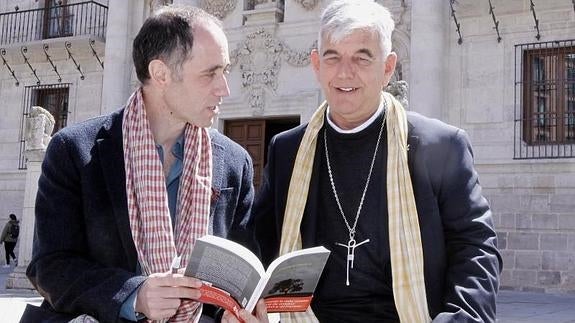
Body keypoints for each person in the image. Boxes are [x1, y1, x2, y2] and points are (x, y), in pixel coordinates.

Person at [252, 1, 502, 322]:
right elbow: (260, 244)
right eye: (333, 57)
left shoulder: (440, 146)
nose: (345, 72)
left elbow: (475, 247)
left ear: (387, 68)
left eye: (361, 57)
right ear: (316, 65)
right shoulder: (287, 149)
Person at [21, 5, 266, 323]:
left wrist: (232, 313)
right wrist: (133, 294)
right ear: (161, 74)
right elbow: (49, 267)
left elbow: (239, 277)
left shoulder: (234, 163)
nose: (225, 89)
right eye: (210, 73)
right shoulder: (74, 151)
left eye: (226, 71)